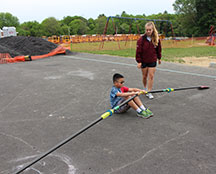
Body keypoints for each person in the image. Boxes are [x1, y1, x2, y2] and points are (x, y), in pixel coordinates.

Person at [136, 21, 162, 99]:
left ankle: (149, 91)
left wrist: (159, 58)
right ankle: (145, 88)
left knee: (151, 76)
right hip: (144, 61)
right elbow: (138, 51)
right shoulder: (141, 39)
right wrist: (139, 61)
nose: (148, 31)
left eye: (149, 30)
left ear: (152, 30)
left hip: (152, 60)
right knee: (144, 76)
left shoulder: (156, 39)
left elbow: (159, 49)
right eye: (147, 30)